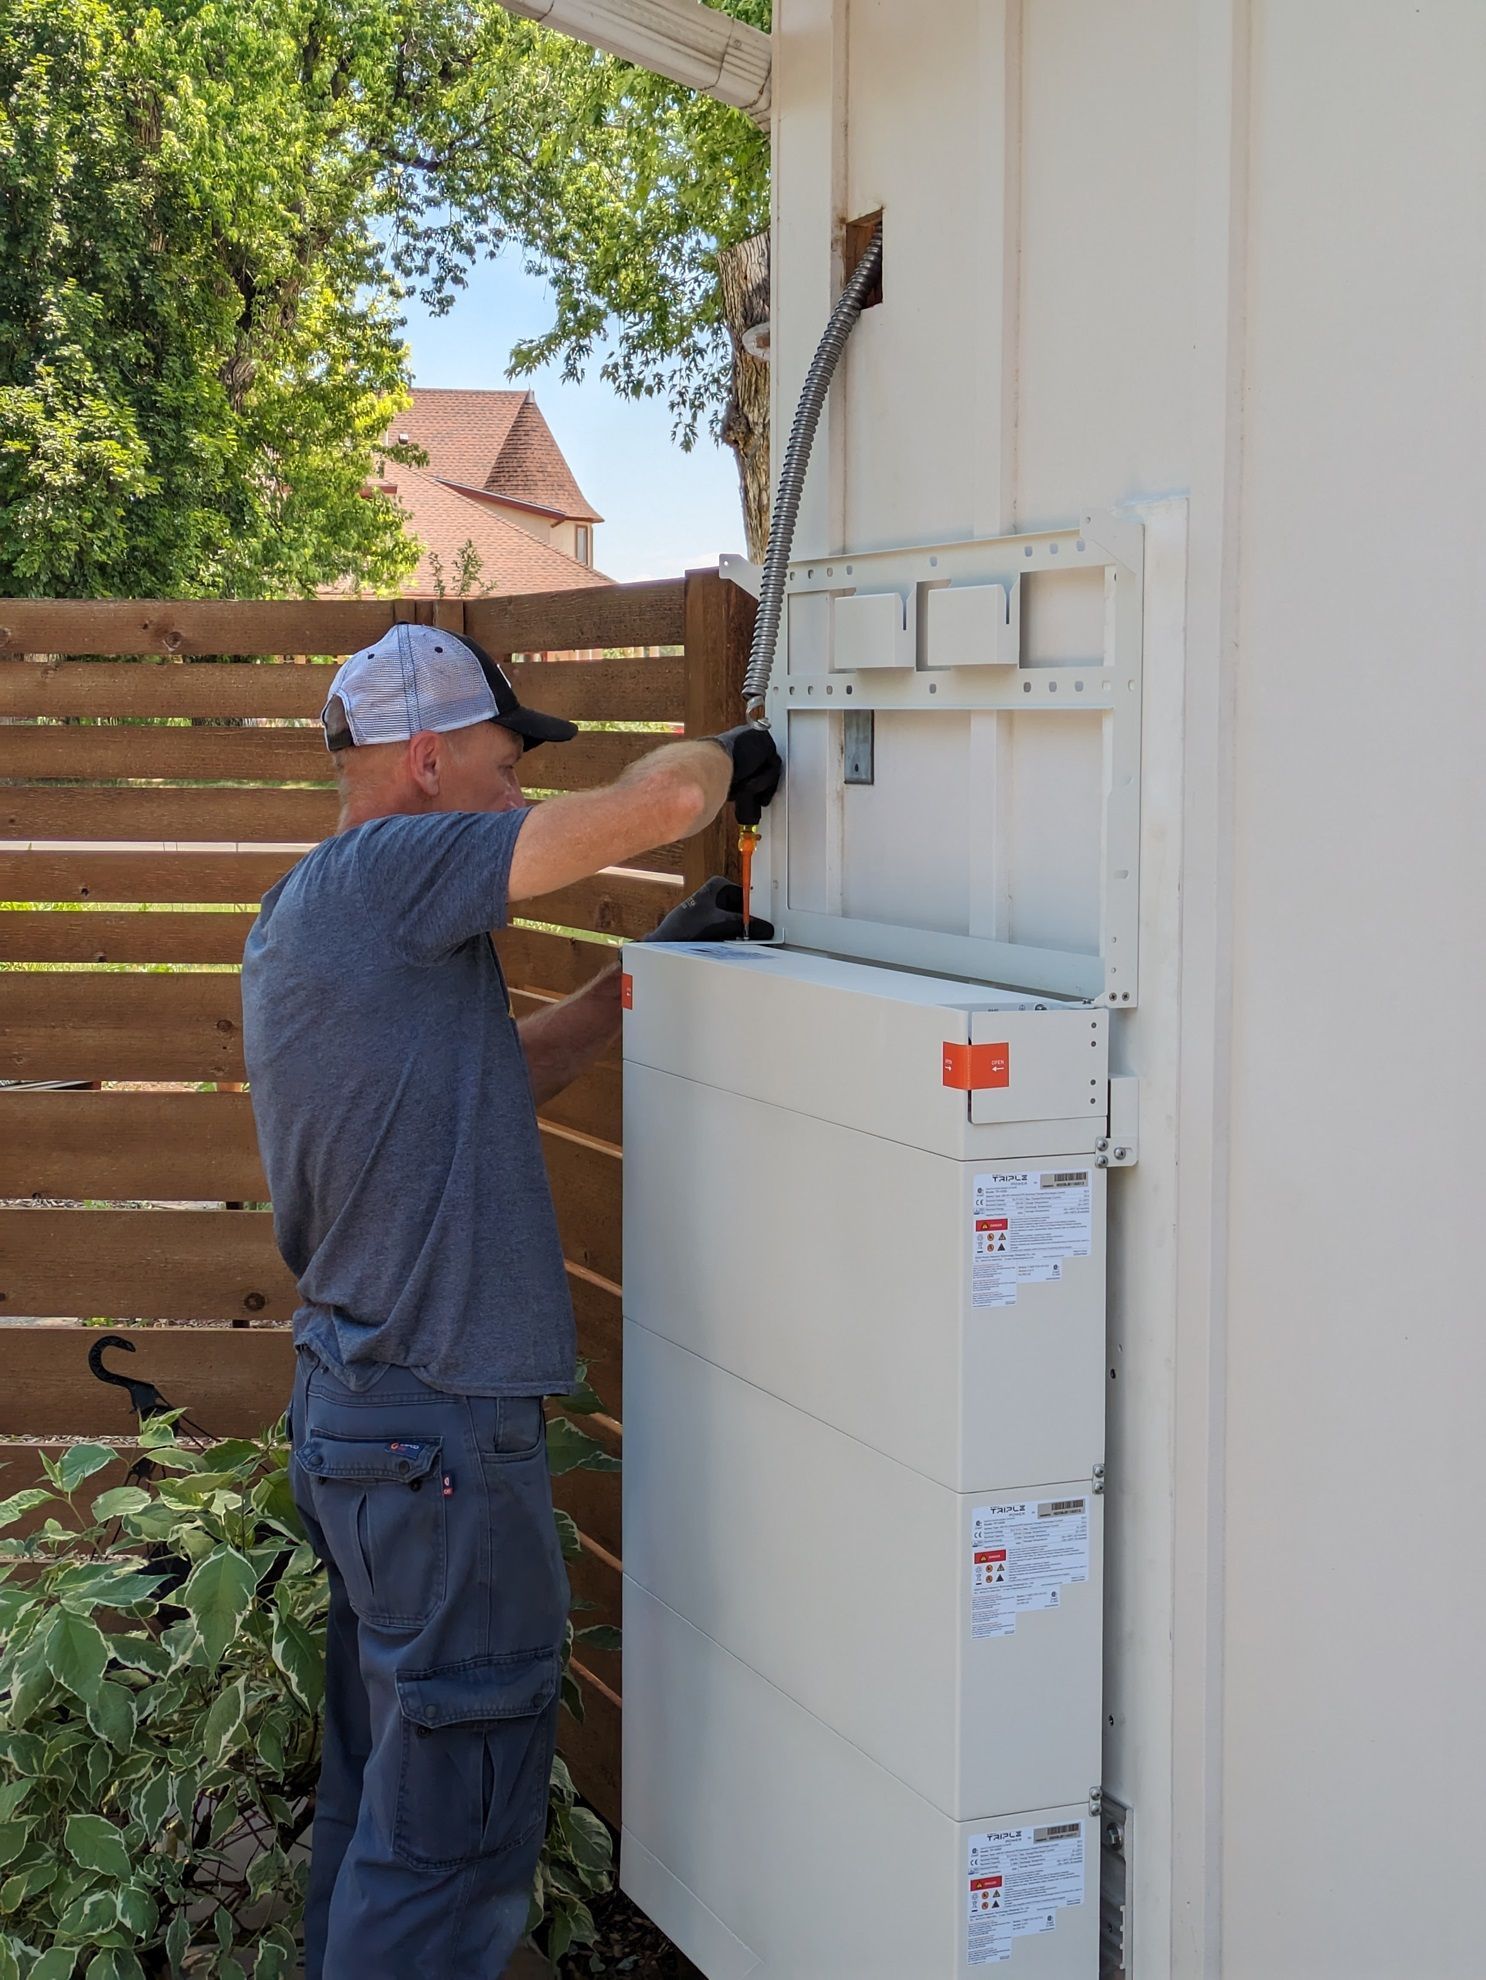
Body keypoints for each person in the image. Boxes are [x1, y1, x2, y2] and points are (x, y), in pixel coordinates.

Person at [240, 623, 780, 1980]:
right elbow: (658, 803)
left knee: (397, 1807)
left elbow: (495, 1078)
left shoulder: (335, 913)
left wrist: (632, 985)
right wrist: (731, 760)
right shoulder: (386, 871)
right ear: (424, 761)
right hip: (432, 1434)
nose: (515, 789)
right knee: (452, 1852)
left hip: (375, 1422)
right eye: (503, 760)